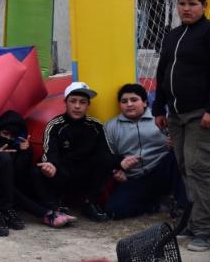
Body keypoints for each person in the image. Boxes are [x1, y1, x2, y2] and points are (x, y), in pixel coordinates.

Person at [152, 0, 210, 252]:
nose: (186, 9)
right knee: (187, 168)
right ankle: (192, 223)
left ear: (204, 6)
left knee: (199, 170)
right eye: (182, 3)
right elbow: (163, 71)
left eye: (193, 4)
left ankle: (205, 231)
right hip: (177, 116)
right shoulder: (173, 35)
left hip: (204, 115)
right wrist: (158, 108)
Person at [37, 81, 140, 223]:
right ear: (65, 103)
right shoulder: (54, 125)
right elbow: (49, 152)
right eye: (73, 101)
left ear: (88, 105)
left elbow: (106, 153)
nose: (77, 106)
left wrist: (121, 162)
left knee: (104, 161)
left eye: (83, 102)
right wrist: (51, 165)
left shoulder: (96, 125)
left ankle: (89, 202)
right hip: (62, 174)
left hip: (86, 177)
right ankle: (56, 205)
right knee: (44, 169)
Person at [105, 83, 187, 219]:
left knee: (178, 155)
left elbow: (184, 141)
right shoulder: (111, 126)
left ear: (144, 103)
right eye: (124, 101)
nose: (129, 104)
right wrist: (117, 169)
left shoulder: (161, 119)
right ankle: (157, 205)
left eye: (134, 100)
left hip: (161, 171)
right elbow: (108, 156)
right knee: (113, 210)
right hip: (134, 178)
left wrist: (177, 143)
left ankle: (182, 207)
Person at [0, 110, 77, 229]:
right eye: (5, 134)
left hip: (16, 187)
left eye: (12, 136)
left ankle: (53, 209)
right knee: (7, 181)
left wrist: (25, 152)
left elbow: (21, 173)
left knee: (35, 171)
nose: (8, 138)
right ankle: (47, 214)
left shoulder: (18, 146)